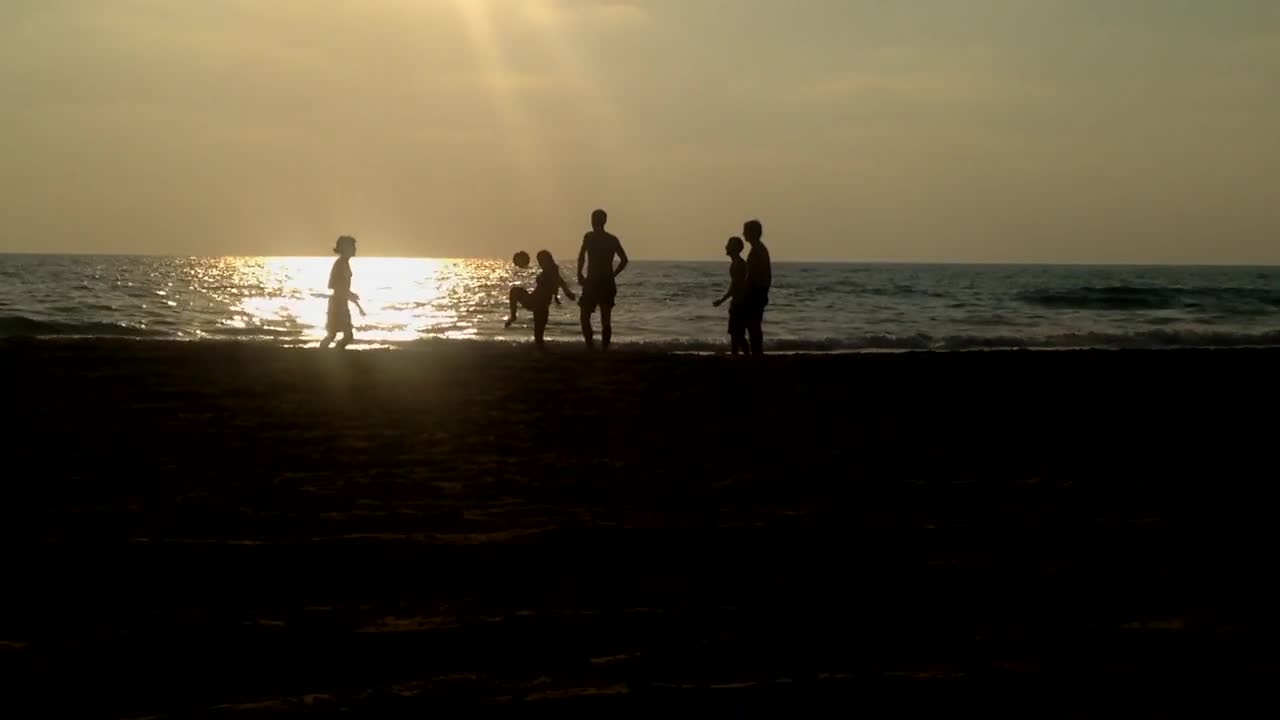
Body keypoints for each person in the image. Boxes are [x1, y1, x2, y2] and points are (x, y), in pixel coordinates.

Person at [577, 208, 629, 350]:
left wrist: (579, 274)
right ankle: (599, 347)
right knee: (602, 318)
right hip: (601, 281)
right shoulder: (607, 239)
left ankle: (592, 345)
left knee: (588, 316)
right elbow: (624, 260)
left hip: (596, 281)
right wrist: (612, 275)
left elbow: (581, 256)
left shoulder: (593, 237)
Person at [507, 250, 576, 348]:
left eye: (541, 260)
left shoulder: (551, 271)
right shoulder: (549, 270)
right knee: (514, 291)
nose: (540, 263)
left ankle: (541, 353)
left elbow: (560, 282)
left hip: (539, 304)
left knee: (538, 336)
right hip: (535, 300)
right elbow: (559, 283)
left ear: (547, 260)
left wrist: (567, 293)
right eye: (539, 260)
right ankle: (513, 316)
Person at [321, 235, 362, 349]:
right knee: (338, 334)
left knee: (335, 334)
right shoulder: (340, 264)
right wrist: (350, 295)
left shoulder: (344, 263)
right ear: (346, 248)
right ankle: (325, 352)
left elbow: (341, 287)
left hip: (341, 302)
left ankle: (329, 352)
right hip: (338, 303)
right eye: (352, 246)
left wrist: (351, 295)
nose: (355, 249)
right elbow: (335, 286)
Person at [712, 236, 749, 355]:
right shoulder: (736, 264)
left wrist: (721, 300)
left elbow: (735, 287)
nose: (726, 246)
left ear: (736, 248)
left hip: (740, 304)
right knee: (736, 334)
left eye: (729, 244)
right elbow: (734, 287)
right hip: (738, 303)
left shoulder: (739, 264)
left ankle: (742, 358)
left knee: (737, 334)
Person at [743, 219, 771, 355]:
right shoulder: (759, 249)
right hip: (758, 291)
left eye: (746, 231)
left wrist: (756, 292)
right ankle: (756, 352)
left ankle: (757, 353)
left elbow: (756, 275)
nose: (743, 234)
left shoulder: (758, 251)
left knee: (753, 325)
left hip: (755, 292)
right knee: (753, 325)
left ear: (752, 233)